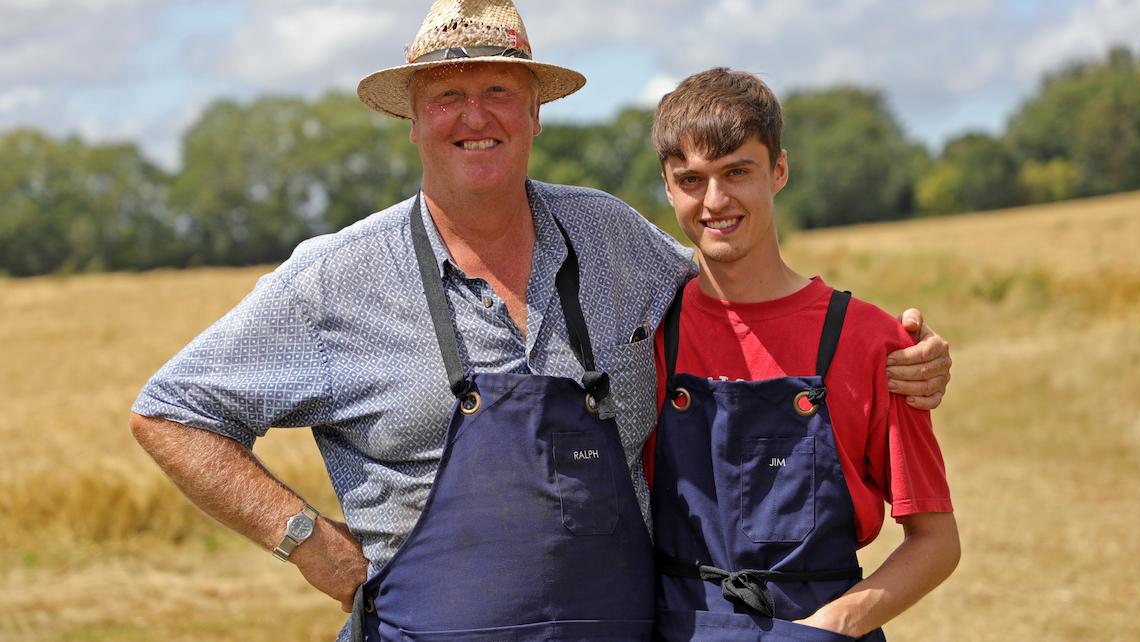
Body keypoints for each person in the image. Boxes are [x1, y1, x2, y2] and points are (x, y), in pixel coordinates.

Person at [128, 2, 952, 641]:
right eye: (447, 95)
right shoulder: (334, 280)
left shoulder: (614, 236)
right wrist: (312, 543)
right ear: (411, 120)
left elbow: (744, 301)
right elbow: (170, 412)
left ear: (535, 114)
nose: (473, 115)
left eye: (498, 92)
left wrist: (888, 350)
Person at [645, 68, 960, 642]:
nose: (715, 201)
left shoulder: (870, 339)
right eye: (691, 179)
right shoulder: (646, 333)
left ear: (779, 170)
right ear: (667, 188)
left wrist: (823, 630)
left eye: (737, 172)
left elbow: (936, 541)